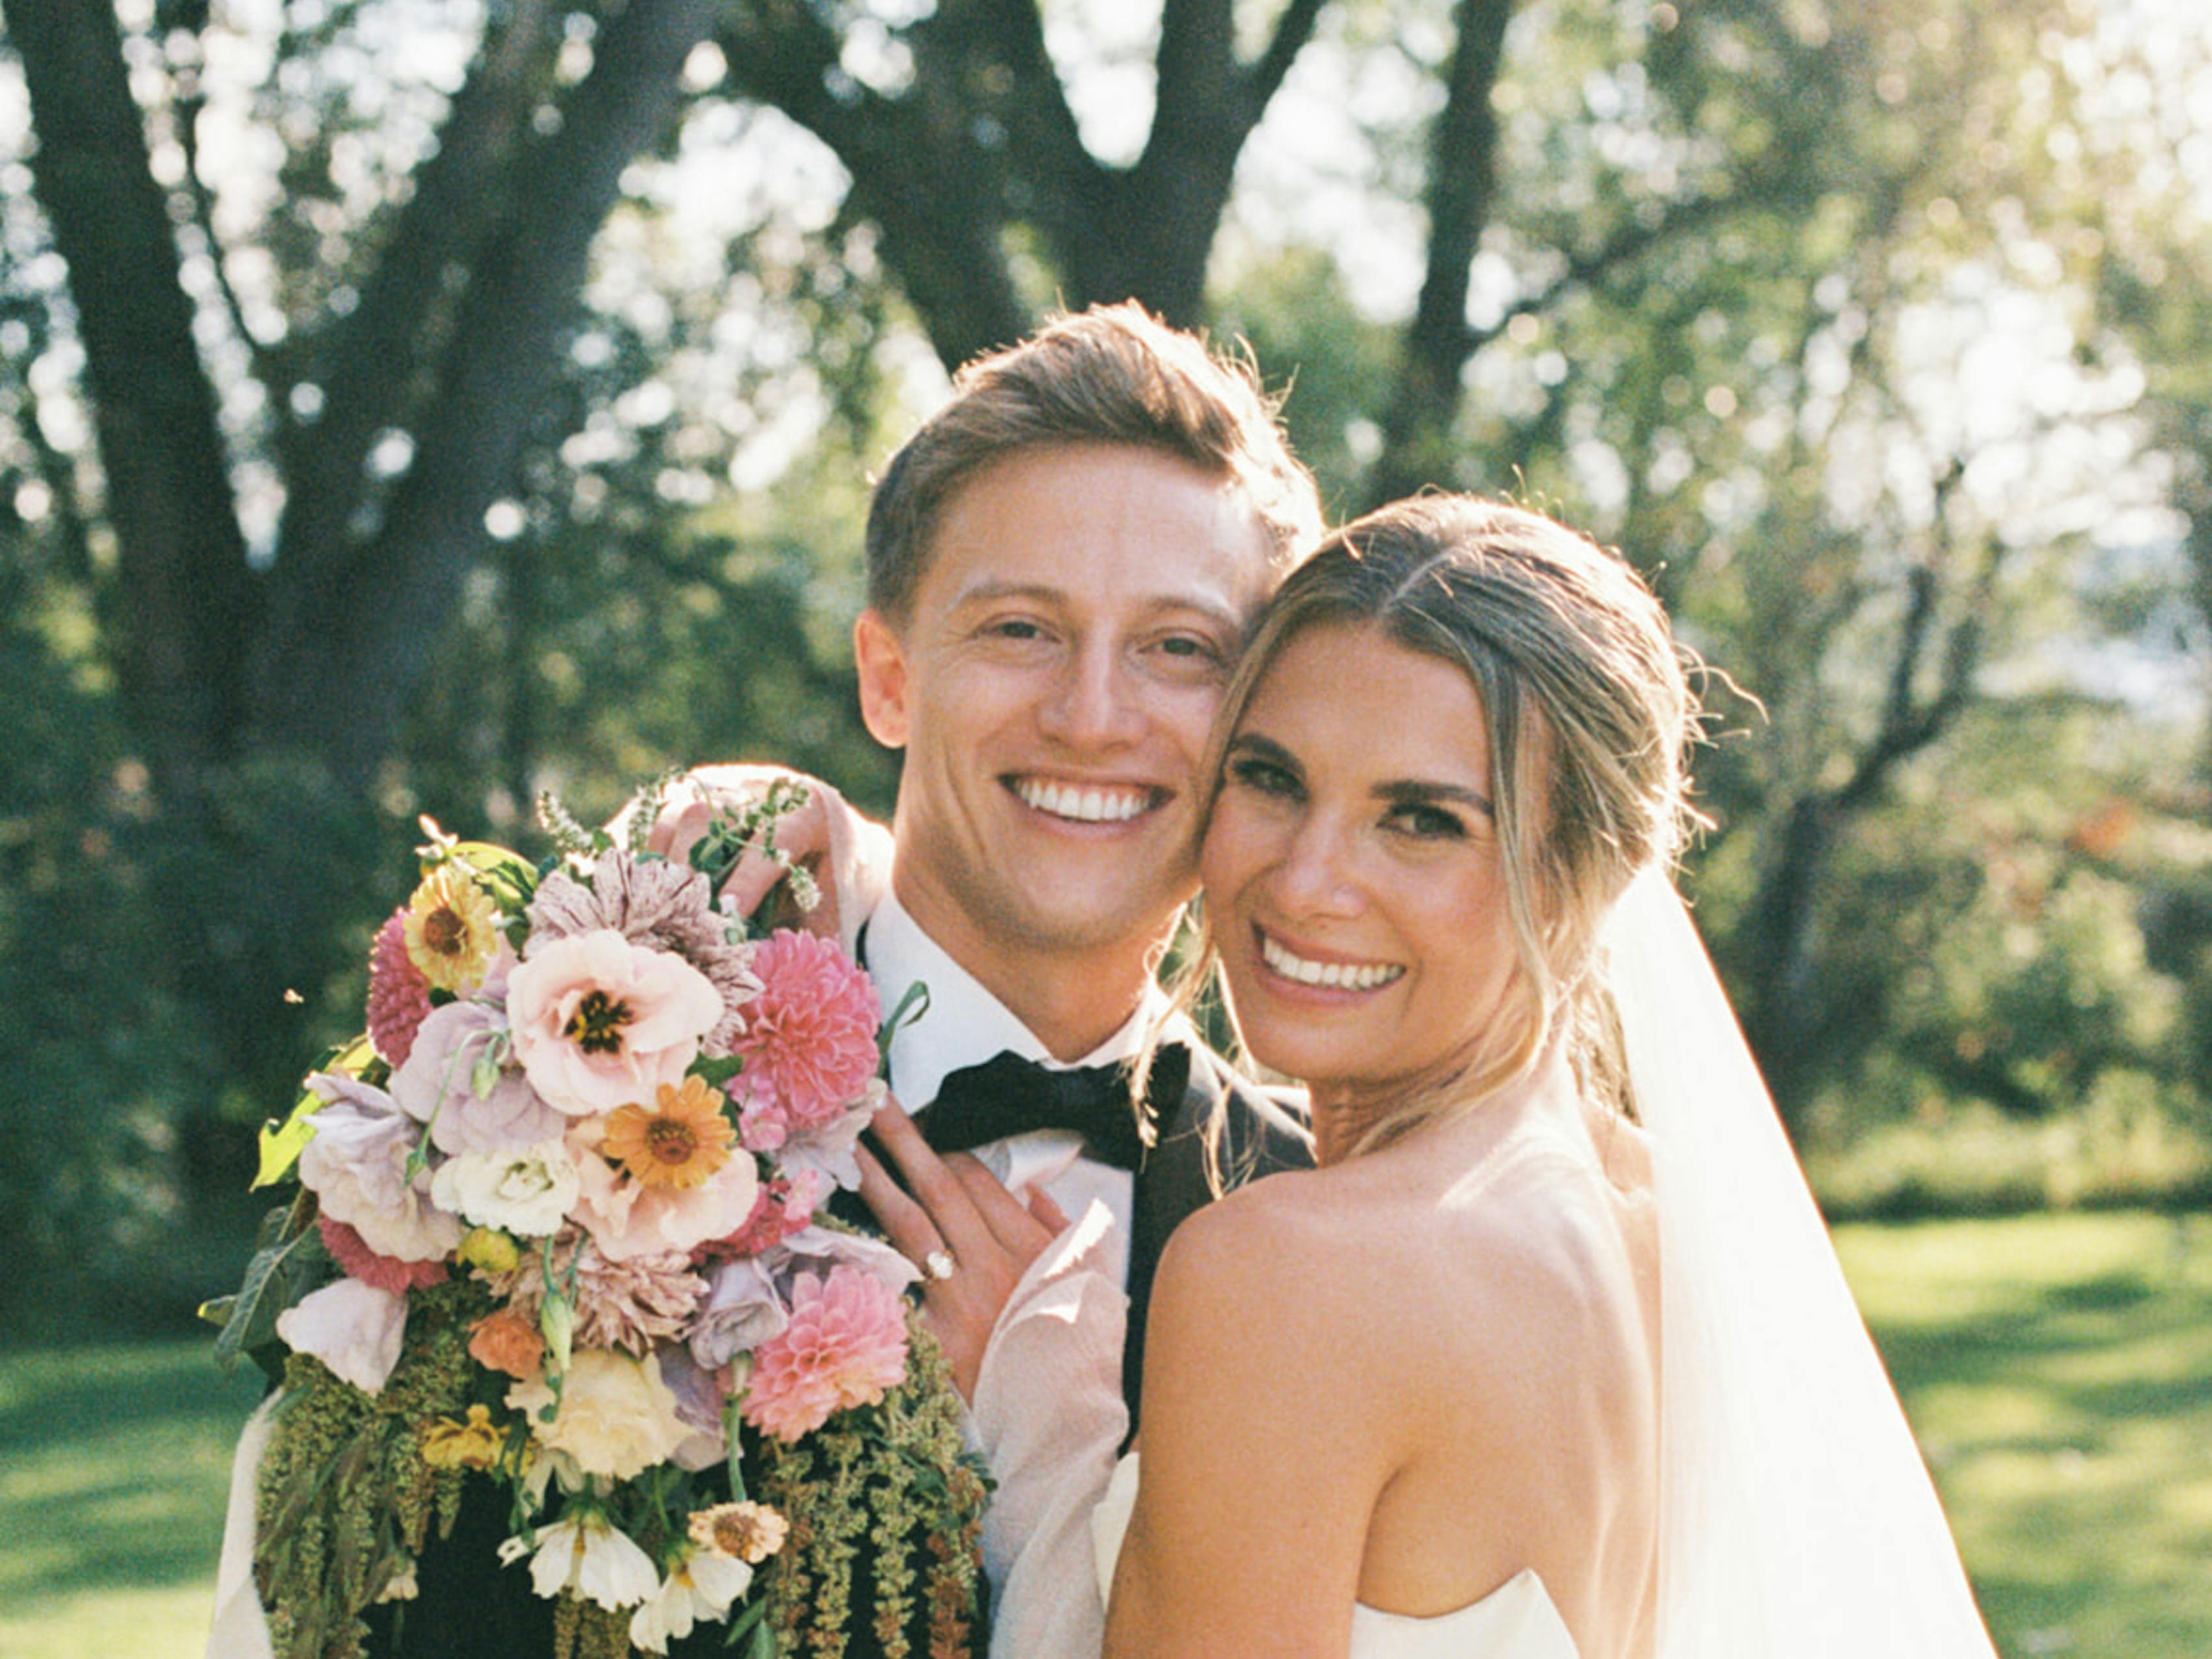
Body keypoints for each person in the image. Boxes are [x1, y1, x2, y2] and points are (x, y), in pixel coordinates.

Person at [207, 301, 1323, 1659]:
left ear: (1258, 718)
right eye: (1020, 630)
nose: (1093, 713)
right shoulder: (559, 1086)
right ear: (886, 679)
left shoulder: (1315, 1227)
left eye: (1179, 648)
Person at [869, 494, 2001, 1658]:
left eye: (1419, 820)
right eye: (1270, 778)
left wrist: (1043, 1418)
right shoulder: (1673, 1231)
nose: (1306, 882)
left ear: (1583, 876)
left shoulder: (1293, 1272)